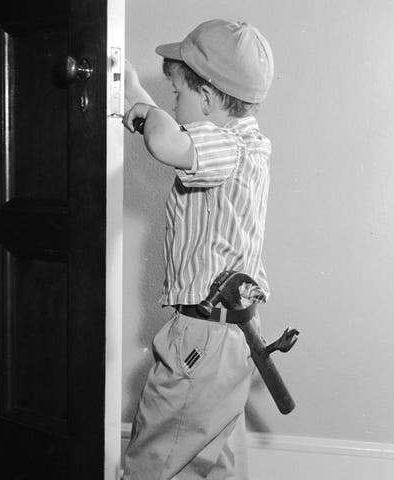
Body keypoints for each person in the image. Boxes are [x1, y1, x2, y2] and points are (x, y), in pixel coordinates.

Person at [122, 18, 274, 480]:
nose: (174, 102)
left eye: (178, 94)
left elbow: (166, 139)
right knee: (217, 461)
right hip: (232, 334)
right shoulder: (247, 144)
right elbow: (175, 132)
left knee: (155, 455)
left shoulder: (225, 146)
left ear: (206, 98)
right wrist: (133, 93)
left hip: (202, 339)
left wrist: (145, 113)